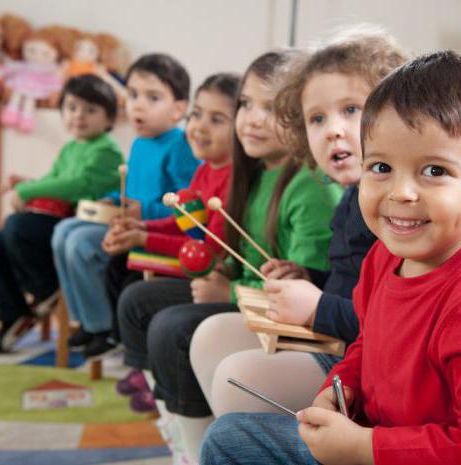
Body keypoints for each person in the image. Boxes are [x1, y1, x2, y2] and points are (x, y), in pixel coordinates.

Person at [201, 50, 461, 465]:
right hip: (376, 435)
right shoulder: (385, 256)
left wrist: (364, 448)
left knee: (229, 442)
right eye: (381, 167)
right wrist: (338, 390)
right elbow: (368, 342)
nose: (400, 193)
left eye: (435, 171)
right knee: (230, 435)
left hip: (392, 452)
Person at [116, 50, 342, 464]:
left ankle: (193, 442)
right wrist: (218, 270)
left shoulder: (309, 188)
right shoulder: (254, 173)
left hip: (289, 320)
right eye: (246, 105)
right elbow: (237, 256)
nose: (253, 118)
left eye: (271, 108)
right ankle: (176, 422)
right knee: (138, 301)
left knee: (174, 327)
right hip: (253, 298)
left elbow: (303, 287)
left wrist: (228, 287)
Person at [190, 26, 408, 420]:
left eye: (351, 110)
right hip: (339, 339)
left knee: (234, 376)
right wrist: (311, 276)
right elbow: (352, 281)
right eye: (317, 118)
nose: (333, 129)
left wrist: (318, 306)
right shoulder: (350, 197)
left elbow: (390, 322)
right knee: (208, 338)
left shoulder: (396, 211)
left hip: (363, 364)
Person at [51, 53, 199, 358]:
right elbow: (131, 189)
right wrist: (114, 199)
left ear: (179, 109)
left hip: (152, 230)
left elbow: (187, 208)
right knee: (63, 231)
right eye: (132, 95)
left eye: (152, 97)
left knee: (80, 241)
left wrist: (143, 211)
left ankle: (104, 327)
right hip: (129, 221)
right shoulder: (139, 143)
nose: (138, 105)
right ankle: (88, 322)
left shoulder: (180, 145)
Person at [99, 72, 240, 358]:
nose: (199, 127)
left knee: (132, 288)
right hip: (196, 260)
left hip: (212, 273)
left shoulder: (234, 179)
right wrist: (142, 227)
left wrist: (143, 237)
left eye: (216, 119)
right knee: (117, 265)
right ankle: (125, 349)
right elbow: (186, 223)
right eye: (197, 115)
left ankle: (139, 365)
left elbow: (207, 249)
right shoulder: (205, 170)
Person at [0, 74, 123, 354]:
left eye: (90, 110)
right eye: (72, 108)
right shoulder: (71, 148)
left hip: (84, 222)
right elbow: (53, 181)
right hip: (63, 220)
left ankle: (47, 288)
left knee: (17, 226)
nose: (79, 116)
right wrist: (27, 184)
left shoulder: (107, 150)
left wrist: (27, 191)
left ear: (109, 119)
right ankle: (13, 313)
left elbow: (79, 186)